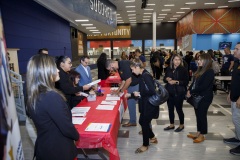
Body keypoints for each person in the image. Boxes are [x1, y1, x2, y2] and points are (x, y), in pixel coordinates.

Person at [26, 54, 79, 160]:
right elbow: (66, 127)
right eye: (54, 68)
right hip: (58, 150)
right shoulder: (51, 96)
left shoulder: (35, 94)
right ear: (45, 71)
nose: (58, 70)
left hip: (45, 148)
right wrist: (76, 135)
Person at [126, 58, 159, 153]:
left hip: (149, 104)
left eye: (132, 69)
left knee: (144, 123)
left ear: (137, 67)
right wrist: (134, 94)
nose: (132, 71)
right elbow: (145, 90)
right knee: (142, 121)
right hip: (146, 103)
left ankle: (145, 145)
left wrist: (136, 94)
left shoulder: (145, 76)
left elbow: (152, 91)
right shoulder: (143, 75)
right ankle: (152, 137)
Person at [186, 53, 214, 143]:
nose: (198, 61)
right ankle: (198, 132)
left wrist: (191, 91)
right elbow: (193, 83)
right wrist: (189, 90)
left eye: (200, 60)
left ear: (206, 61)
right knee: (198, 115)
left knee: (202, 116)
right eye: (198, 59)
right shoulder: (199, 70)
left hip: (205, 97)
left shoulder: (209, 71)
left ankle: (202, 135)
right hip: (197, 97)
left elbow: (204, 86)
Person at [106, 59, 139, 127]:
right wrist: (117, 91)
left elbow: (128, 80)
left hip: (136, 85)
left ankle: (148, 129)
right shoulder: (119, 67)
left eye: (110, 69)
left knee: (143, 107)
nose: (111, 71)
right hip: (131, 86)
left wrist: (121, 91)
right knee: (130, 103)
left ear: (112, 65)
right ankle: (133, 121)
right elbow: (124, 80)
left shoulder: (124, 65)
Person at [163, 54, 189, 132]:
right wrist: (166, 79)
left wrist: (176, 82)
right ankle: (172, 124)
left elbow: (186, 82)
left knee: (179, 109)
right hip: (169, 92)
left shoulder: (183, 69)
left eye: (178, 60)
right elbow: (164, 78)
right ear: (172, 60)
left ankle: (181, 125)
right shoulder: (169, 68)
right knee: (170, 109)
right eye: (175, 60)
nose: (177, 61)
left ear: (181, 61)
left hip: (179, 92)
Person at [223, 43, 240, 155]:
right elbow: (235, 80)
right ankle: (238, 138)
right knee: (235, 119)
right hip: (234, 96)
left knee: (238, 120)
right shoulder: (237, 62)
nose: (234, 51)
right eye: (235, 48)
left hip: (239, 99)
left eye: (237, 49)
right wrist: (230, 92)